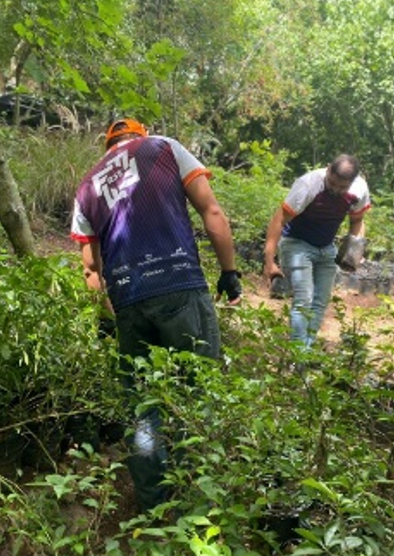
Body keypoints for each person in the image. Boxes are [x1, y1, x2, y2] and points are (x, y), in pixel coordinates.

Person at [70, 117, 242, 512]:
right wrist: (229, 272)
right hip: (179, 286)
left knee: (143, 407)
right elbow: (211, 210)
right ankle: (196, 500)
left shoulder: (86, 187)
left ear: (107, 145)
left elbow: (91, 269)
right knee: (196, 392)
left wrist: (104, 317)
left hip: (129, 301)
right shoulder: (163, 147)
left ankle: (153, 504)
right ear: (139, 135)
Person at [263, 154, 370, 349]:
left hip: (327, 248)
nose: (335, 190)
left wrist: (353, 252)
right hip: (296, 243)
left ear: (353, 182)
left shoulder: (359, 189)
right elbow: (278, 220)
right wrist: (269, 261)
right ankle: (298, 357)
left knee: (320, 302)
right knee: (303, 300)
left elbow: (357, 220)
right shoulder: (308, 185)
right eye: (332, 183)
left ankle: (306, 351)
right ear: (328, 169)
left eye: (342, 187)